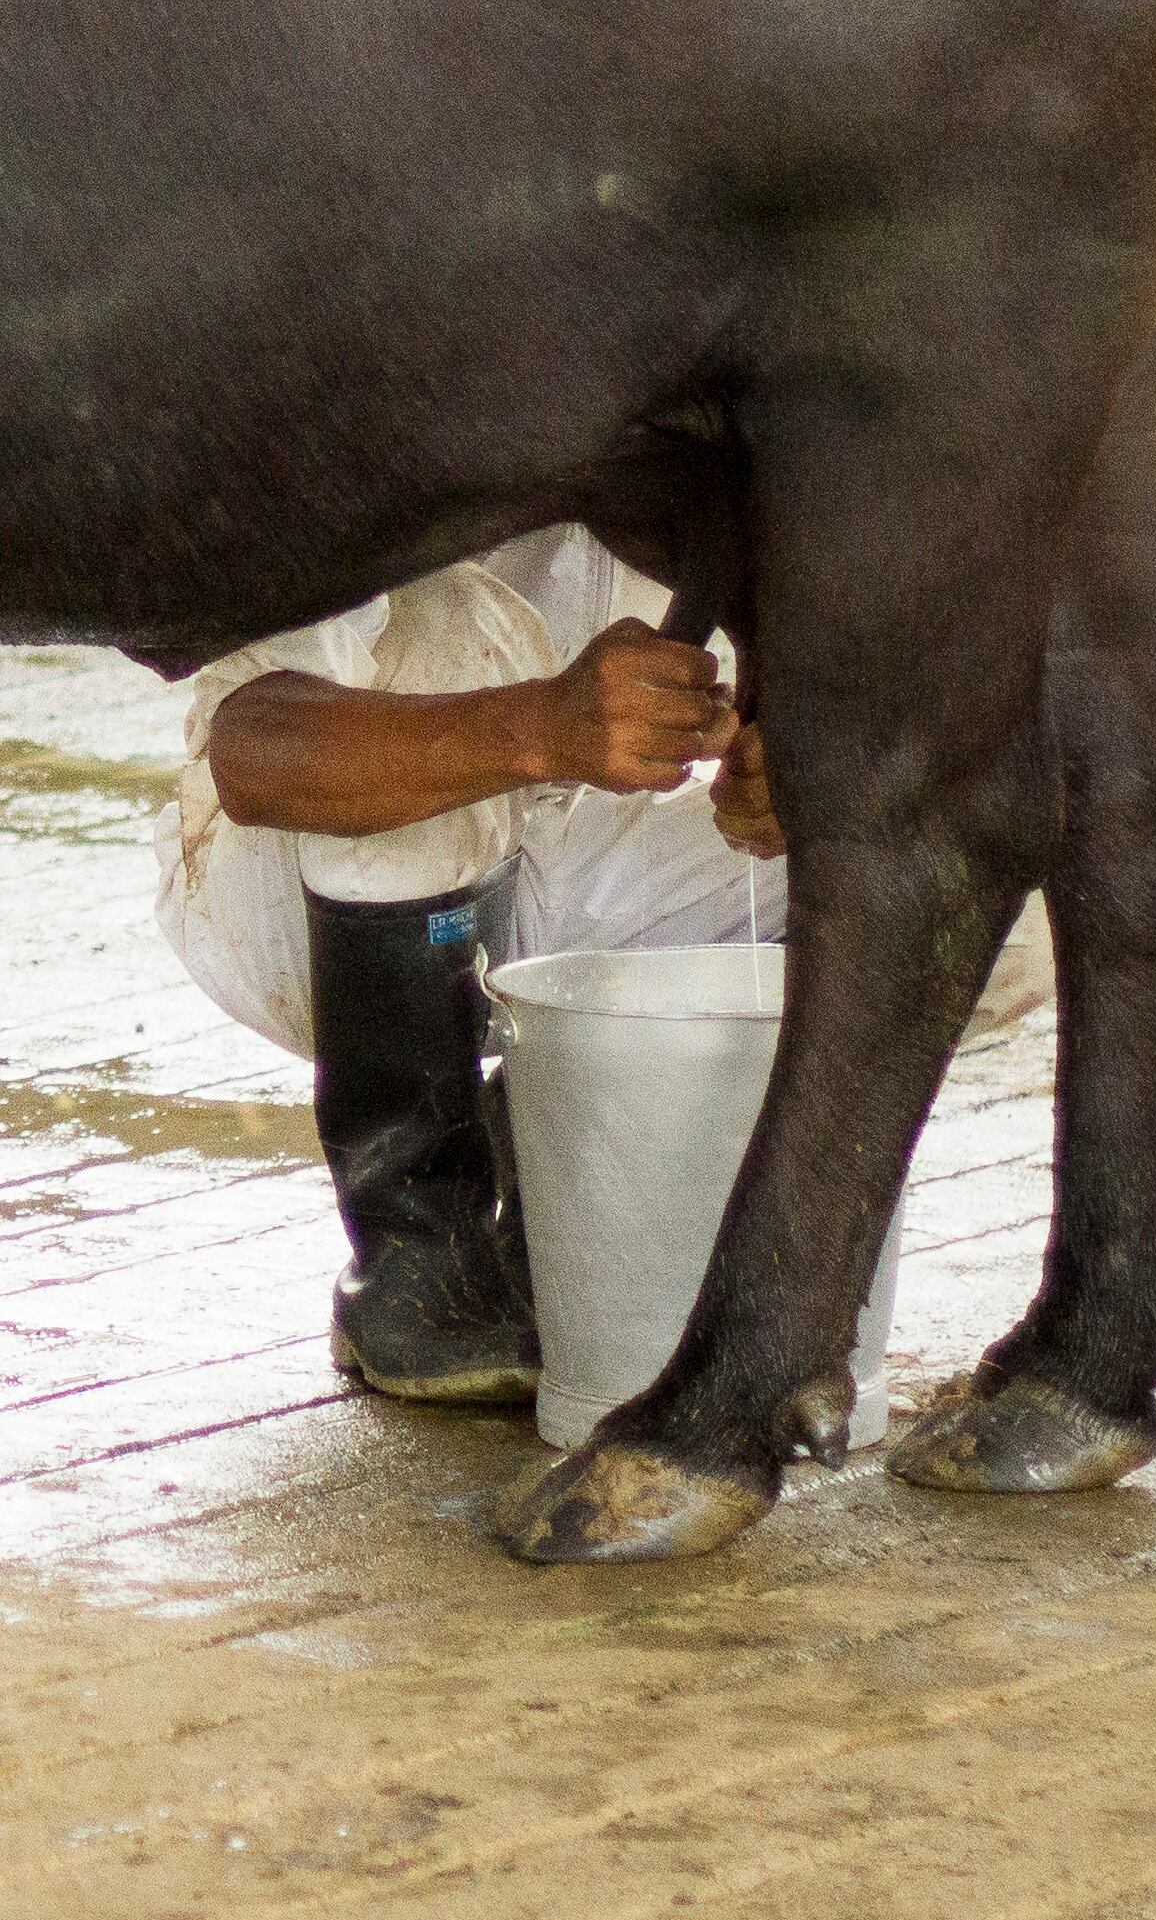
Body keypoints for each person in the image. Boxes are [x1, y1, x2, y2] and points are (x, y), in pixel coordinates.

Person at [153, 528, 781, 1403]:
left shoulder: (713, 450)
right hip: (299, 896)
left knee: (909, 850)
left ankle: (548, 1202)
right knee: (447, 624)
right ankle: (416, 1255)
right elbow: (251, 753)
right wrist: (542, 725)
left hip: (555, 864)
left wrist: (794, 778)